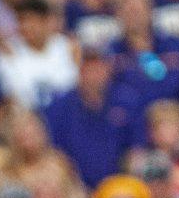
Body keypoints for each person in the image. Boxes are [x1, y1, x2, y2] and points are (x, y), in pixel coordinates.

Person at [44, 43, 144, 188]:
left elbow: (136, 150)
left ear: (108, 69)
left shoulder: (128, 101)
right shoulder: (59, 108)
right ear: (79, 71)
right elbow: (54, 155)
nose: (93, 75)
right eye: (87, 69)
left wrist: (126, 184)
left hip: (119, 187)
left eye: (98, 68)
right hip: (75, 188)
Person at [0, 0, 78, 111]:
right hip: (25, 119)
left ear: (47, 21)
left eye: (32, 21)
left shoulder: (68, 47)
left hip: (65, 117)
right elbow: (8, 97)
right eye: (21, 21)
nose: (26, 27)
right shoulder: (7, 51)